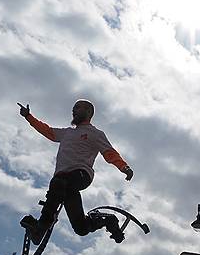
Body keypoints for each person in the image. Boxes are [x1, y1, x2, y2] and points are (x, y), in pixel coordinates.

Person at [17, 99, 134, 245]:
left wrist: (124, 167)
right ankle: (108, 221)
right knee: (81, 228)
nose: (74, 110)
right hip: (63, 185)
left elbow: (109, 152)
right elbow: (47, 130)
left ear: (89, 112)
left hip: (81, 175)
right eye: (73, 108)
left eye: (78, 107)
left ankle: (40, 228)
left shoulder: (95, 133)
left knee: (59, 182)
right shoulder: (67, 133)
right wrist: (29, 117)